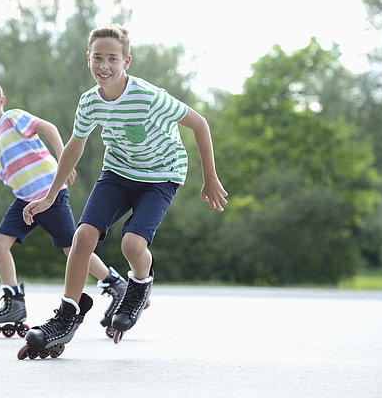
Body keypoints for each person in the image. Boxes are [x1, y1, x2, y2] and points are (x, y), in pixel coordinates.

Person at [17, 24, 228, 357]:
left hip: (161, 175)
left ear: (126, 61)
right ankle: (66, 315)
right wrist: (51, 194)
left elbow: (199, 123)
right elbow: (74, 145)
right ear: (88, 59)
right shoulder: (89, 103)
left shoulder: (148, 96)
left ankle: (140, 284)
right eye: (98, 58)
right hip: (117, 173)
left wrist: (210, 178)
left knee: (132, 243)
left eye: (112, 59)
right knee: (82, 237)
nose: (104, 66)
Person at [0, 78, 126, 338]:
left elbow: (48, 127)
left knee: (72, 248)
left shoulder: (12, 118)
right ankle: (14, 302)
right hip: (23, 200)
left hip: (50, 191)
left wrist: (65, 160)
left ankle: (115, 284)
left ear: (0, 101)